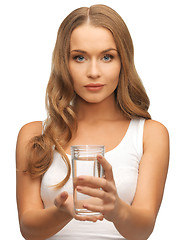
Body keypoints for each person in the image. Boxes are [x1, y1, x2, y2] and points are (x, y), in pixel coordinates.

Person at [16, 4, 169, 240]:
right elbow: (28, 228)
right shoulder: (35, 134)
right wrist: (61, 213)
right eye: (79, 57)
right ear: (63, 63)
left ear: (123, 62)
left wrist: (117, 210)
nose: (94, 71)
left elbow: (143, 230)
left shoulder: (149, 134)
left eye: (107, 57)